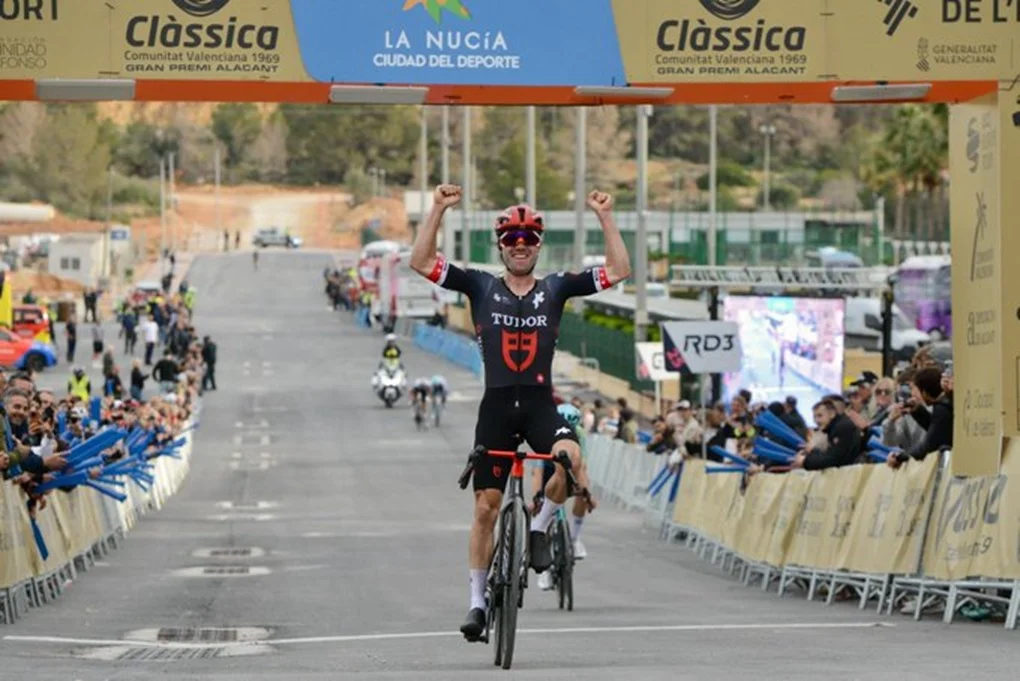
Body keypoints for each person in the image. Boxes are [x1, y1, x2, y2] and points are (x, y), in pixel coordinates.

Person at [409, 183, 630, 641]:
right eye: (512, 239)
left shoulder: (557, 288)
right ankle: (476, 605)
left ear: (538, 246)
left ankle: (539, 528)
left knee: (570, 458)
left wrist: (605, 216)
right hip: (495, 410)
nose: (521, 245)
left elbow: (619, 269)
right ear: (501, 246)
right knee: (486, 509)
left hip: (538, 405)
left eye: (528, 239)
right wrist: (437, 209)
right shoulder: (479, 284)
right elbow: (421, 262)